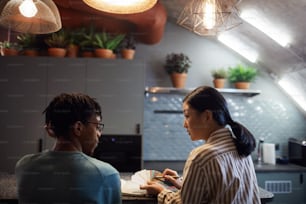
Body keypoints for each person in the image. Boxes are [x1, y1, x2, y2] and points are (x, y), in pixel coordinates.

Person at [140, 86, 261, 204]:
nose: (184, 124)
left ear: (207, 116)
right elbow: (222, 191)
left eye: (187, 116)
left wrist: (161, 191)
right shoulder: (241, 146)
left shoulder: (202, 156)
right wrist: (184, 182)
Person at [15, 93, 122, 204]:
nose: (99, 134)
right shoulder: (107, 174)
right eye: (97, 126)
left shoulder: (24, 165)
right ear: (78, 128)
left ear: (51, 130)